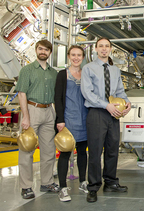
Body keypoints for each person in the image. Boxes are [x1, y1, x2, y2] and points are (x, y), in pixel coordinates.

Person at [81, 37, 131, 203]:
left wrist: (126, 103)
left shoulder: (115, 70)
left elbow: (119, 91)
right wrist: (105, 105)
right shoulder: (88, 68)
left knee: (112, 149)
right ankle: (93, 187)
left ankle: (110, 182)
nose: (103, 49)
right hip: (96, 113)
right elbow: (87, 93)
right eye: (100, 46)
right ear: (96, 49)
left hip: (113, 114)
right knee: (95, 151)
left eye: (106, 46)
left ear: (110, 49)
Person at [15, 39, 59, 199]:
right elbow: (21, 93)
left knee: (49, 150)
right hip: (32, 110)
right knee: (27, 149)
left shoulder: (53, 73)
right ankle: (26, 186)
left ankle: (46, 182)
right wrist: (25, 117)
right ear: (36, 50)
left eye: (46, 50)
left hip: (49, 111)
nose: (43, 52)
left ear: (49, 53)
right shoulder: (27, 70)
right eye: (40, 49)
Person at [54, 45, 89, 202]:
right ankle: (62, 187)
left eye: (79, 55)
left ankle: (83, 182)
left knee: (82, 152)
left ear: (83, 57)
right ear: (69, 56)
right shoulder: (62, 74)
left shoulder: (86, 74)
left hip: (85, 119)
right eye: (73, 55)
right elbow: (58, 98)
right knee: (65, 153)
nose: (76, 58)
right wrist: (60, 120)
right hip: (68, 120)